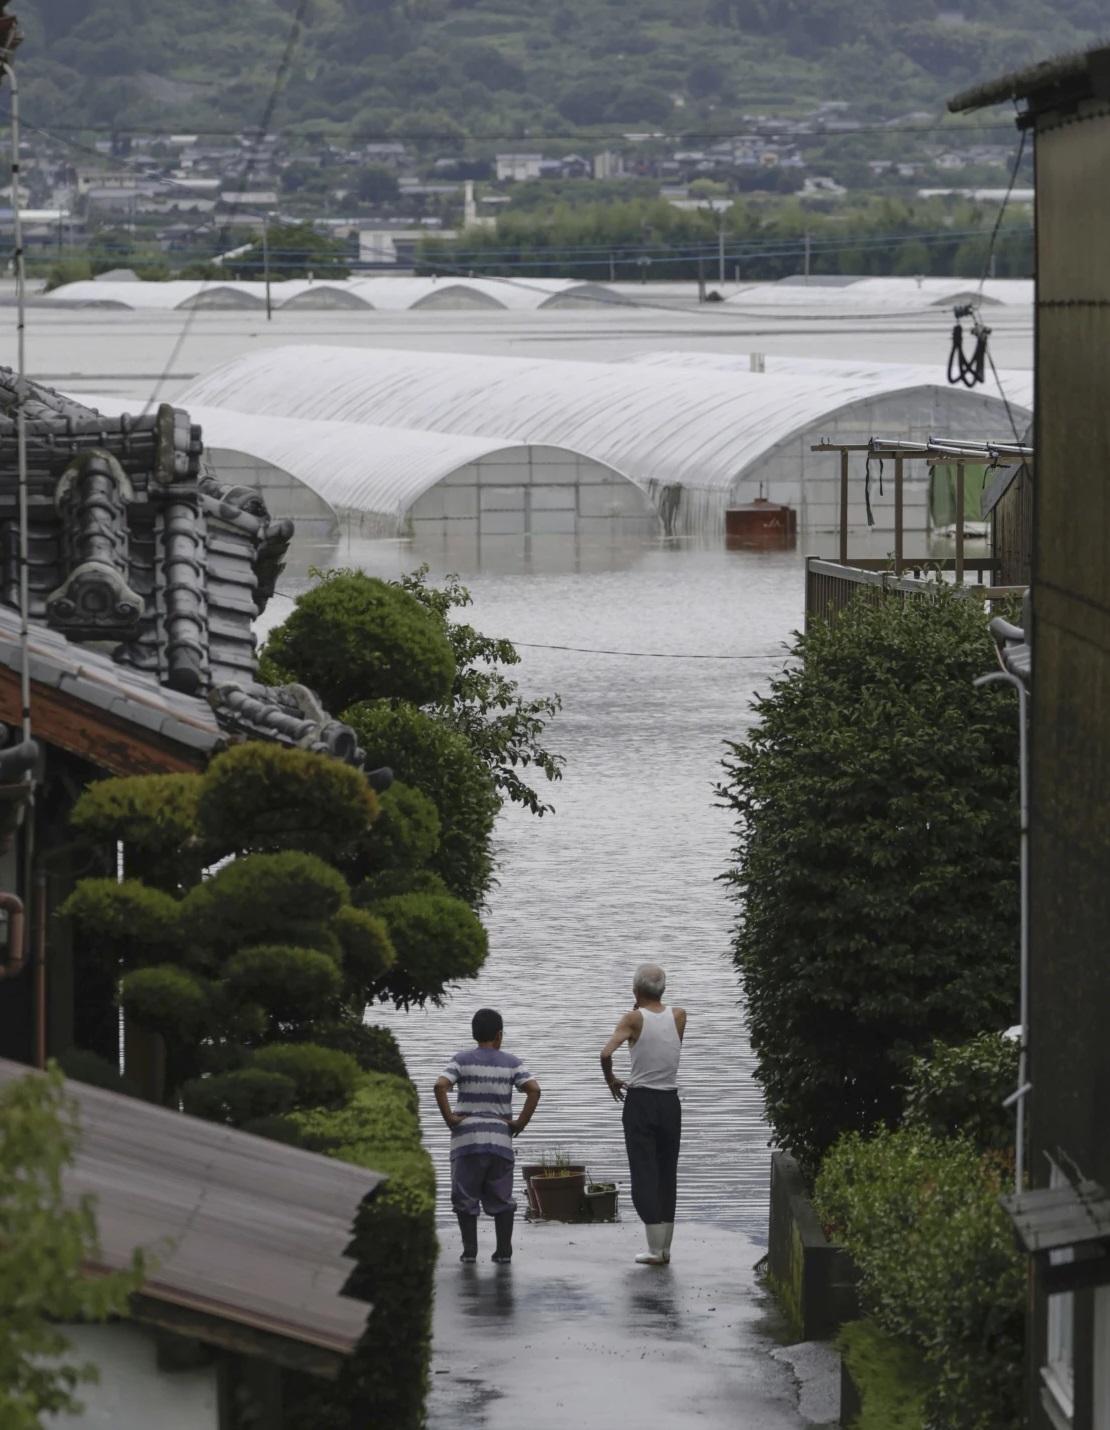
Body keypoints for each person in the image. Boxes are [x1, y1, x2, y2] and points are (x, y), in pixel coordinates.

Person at [435, 1007, 541, 1265]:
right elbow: (534, 1090)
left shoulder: (461, 1060)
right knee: (502, 1196)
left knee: (465, 1195)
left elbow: (440, 1085)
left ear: (474, 1034)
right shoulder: (512, 1062)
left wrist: (450, 1119)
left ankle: (469, 1251)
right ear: (499, 1035)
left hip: (467, 1141)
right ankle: (504, 1251)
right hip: (500, 1140)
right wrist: (519, 1123)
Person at [600, 963, 686, 1265]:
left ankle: (653, 1249)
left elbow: (606, 1053)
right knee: (666, 1172)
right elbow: (665, 1044)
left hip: (641, 1102)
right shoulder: (678, 1015)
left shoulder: (632, 1019)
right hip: (670, 1101)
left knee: (644, 1170)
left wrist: (611, 1080)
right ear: (663, 989)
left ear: (635, 990)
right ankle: (665, 1249)